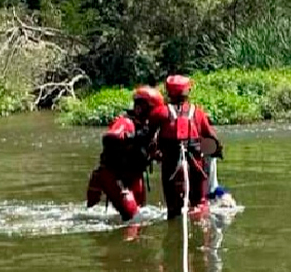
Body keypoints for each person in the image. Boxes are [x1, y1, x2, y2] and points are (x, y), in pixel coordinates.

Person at [86, 86, 164, 223]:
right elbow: (110, 138)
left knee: (140, 214)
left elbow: (152, 153)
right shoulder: (126, 122)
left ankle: (133, 241)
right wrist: (132, 138)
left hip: (134, 176)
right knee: (132, 217)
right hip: (114, 174)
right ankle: (127, 241)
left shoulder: (148, 130)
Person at [150, 75, 222, 220]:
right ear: (187, 91)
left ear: (168, 91)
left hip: (170, 165)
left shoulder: (160, 112)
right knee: (199, 203)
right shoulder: (198, 113)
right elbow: (211, 137)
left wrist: (154, 154)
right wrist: (218, 151)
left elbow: (149, 138)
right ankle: (199, 225)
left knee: (172, 208)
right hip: (196, 165)